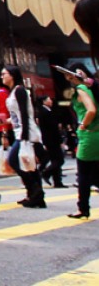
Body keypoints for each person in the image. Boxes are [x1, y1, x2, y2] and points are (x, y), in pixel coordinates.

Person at [1, 65, 46, 208]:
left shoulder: (19, 90)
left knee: (14, 161)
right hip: (20, 131)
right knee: (30, 165)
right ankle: (35, 195)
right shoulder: (13, 91)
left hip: (26, 132)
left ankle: (36, 192)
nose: (2, 77)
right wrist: (7, 122)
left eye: (4, 74)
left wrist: (25, 134)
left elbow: (25, 113)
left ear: (12, 75)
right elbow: (17, 115)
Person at [62, 64, 97, 219]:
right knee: (93, 173)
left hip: (89, 136)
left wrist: (83, 124)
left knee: (83, 175)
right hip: (95, 135)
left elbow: (91, 110)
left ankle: (83, 209)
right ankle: (83, 208)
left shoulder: (81, 89)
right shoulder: (92, 88)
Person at [37, 95, 65, 188]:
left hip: (50, 140)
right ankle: (46, 173)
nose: (51, 101)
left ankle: (57, 182)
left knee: (54, 160)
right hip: (52, 140)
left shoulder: (46, 111)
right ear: (44, 101)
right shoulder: (45, 112)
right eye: (49, 99)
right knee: (59, 160)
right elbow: (53, 129)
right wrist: (60, 140)